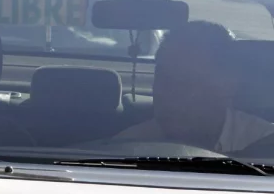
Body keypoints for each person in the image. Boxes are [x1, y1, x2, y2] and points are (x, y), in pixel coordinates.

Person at [113, 21, 274, 153]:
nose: (169, 95)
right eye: (165, 79)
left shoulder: (265, 144)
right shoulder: (126, 149)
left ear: (227, 86)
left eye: (187, 82)